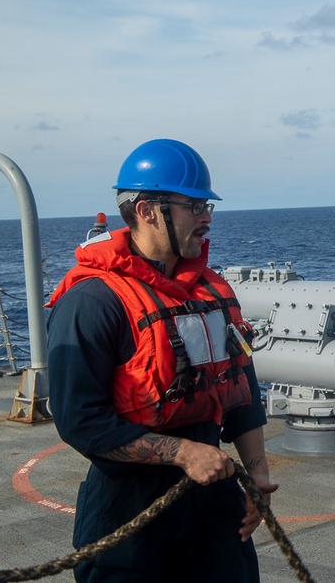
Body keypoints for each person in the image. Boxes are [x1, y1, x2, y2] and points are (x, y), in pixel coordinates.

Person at [47, 138, 277, 583]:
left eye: (207, 206)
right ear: (147, 210)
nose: (207, 217)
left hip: (214, 508)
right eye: (194, 206)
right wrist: (183, 452)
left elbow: (241, 389)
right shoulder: (93, 302)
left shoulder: (212, 296)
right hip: (130, 512)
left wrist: (259, 477)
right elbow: (80, 421)